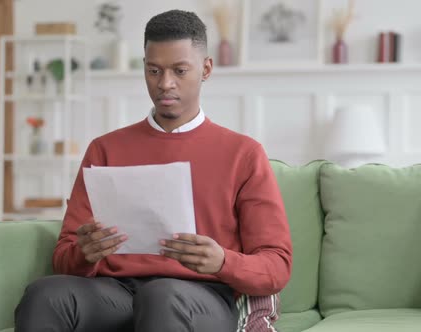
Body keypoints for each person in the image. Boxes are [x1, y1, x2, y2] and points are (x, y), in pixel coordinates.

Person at [15, 9, 292, 332]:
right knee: (45, 295)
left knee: (162, 296)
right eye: (154, 71)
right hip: (118, 292)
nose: (165, 84)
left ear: (206, 69)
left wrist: (222, 261)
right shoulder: (105, 149)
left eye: (179, 70)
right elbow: (63, 257)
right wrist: (84, 254)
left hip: (202, 297)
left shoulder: (243, 154)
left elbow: (277, 266)